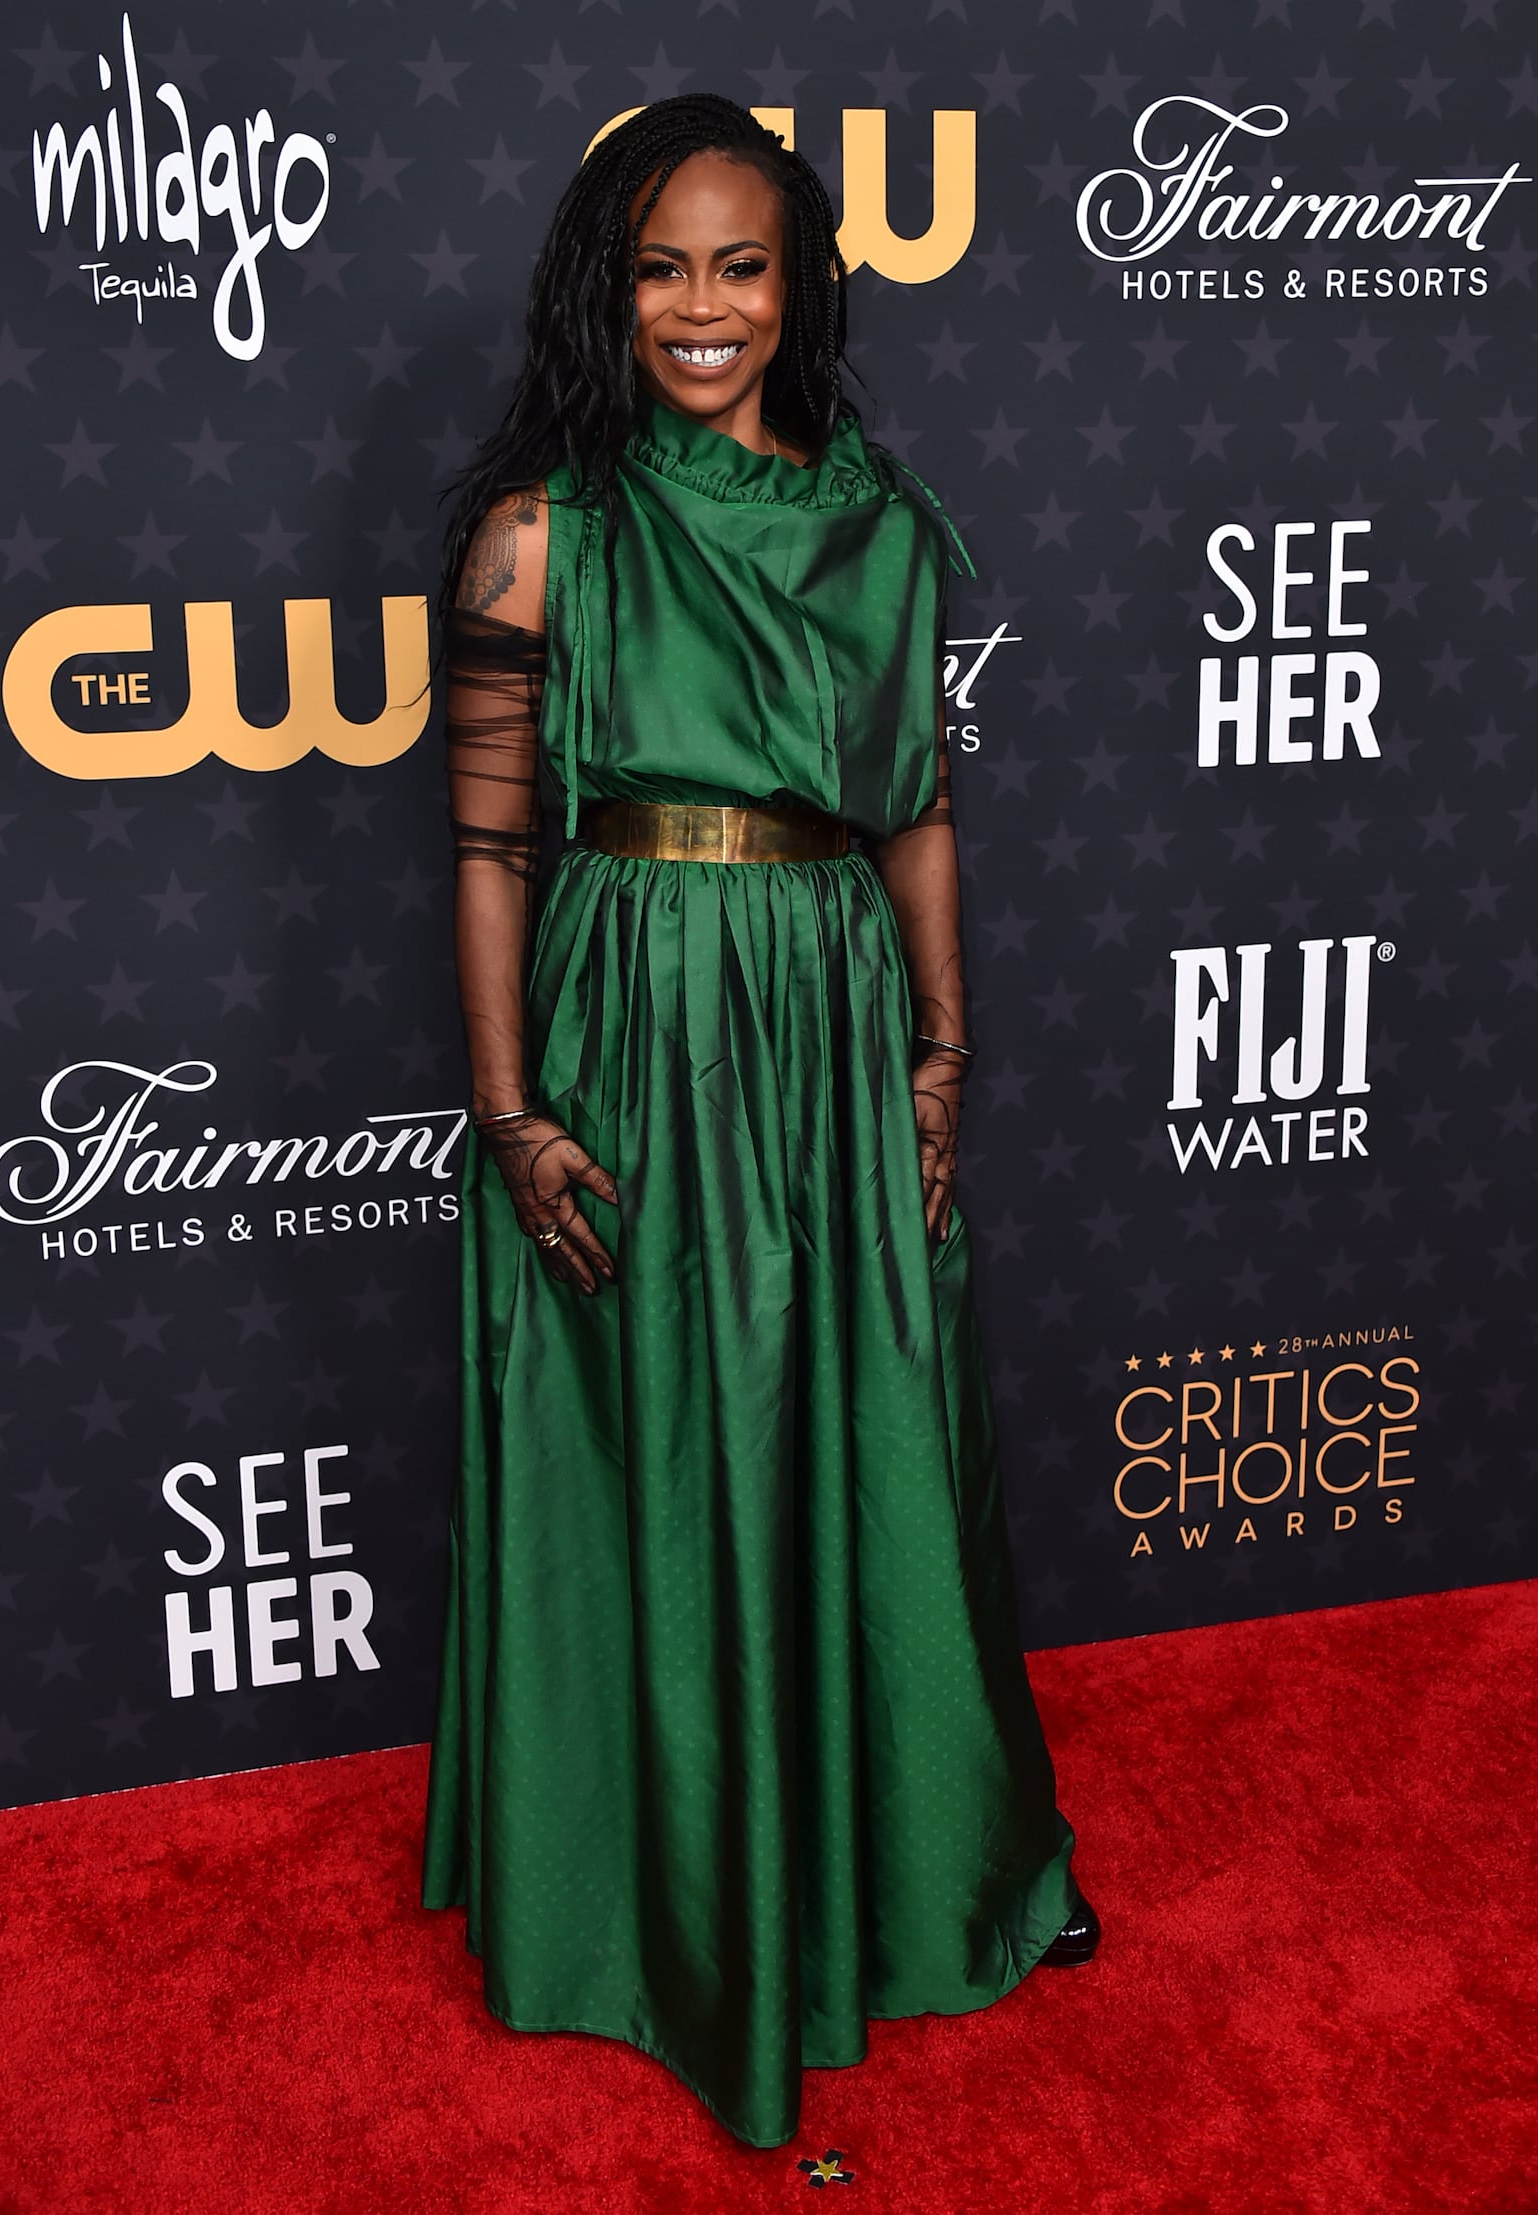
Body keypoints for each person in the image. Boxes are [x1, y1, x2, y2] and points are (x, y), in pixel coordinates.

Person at [420, 92, 1099, 2153]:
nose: (700, 308)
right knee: (658, 1440)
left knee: (876, 1424)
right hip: (631, 1015)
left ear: (800, 285)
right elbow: (487, 852)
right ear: (603, 289)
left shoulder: (885, 529)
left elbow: (916, 812)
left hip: (829, 1014)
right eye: (659, 268)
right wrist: (510, 1112)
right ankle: (658, 1915)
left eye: (740, 265)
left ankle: (928, 1863)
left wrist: (941, 1052)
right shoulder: (544, 533)